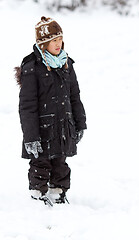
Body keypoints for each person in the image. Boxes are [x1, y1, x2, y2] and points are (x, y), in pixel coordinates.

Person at [15, 16, 87, 206]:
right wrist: (31, 137)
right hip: (42, 128)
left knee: (60, 163)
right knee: (41, 163)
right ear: (43, 43)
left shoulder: (67, 64)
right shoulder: (31, 67)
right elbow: (27, 106)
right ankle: (38, 195)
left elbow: (75, 96)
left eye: (59, 39)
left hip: (64, 126)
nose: (58, 43)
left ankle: (58, 192)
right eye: (53, 40)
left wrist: (80, 124)